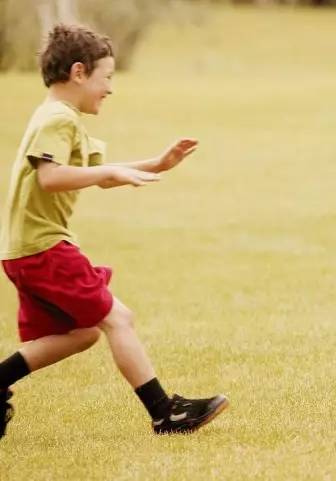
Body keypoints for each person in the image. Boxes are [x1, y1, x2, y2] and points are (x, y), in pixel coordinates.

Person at [0, 24, 228, 439]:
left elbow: (99, 176)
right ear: (79, 72)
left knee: (82, 332)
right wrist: (110, 170)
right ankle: (165, 412)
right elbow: (51, 176)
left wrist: (156, 164)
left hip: (25, 249)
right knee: (118, 318)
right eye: (107, 78)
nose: (110, 89)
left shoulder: (61, 117)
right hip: (43, 247)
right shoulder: (56, 118)